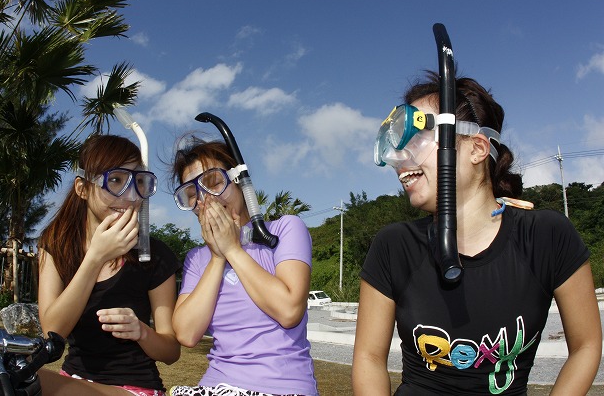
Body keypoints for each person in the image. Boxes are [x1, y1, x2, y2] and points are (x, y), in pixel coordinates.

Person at [352, 72, 602, 395]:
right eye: (396, 143)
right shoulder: (394, 246)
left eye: (416, 138)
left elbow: (586, 345)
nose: (399, 159)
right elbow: (370, 357)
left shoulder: (546, 237)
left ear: (477, 148)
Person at [169, 136, 318, 396]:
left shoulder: (284, 230)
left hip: (283, 387)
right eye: (192, 195)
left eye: (214, 182)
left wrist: (232, 249)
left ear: (238, 179)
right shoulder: (197, 258)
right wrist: (217, 258)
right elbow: (186, 333)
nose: (206, 199)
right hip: (216, 386)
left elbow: (289, 310)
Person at [36, 134, 181, 395]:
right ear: (82, 188)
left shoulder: (154, 255)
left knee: (26, 384)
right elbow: (53, 332)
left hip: (135, 388)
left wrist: (142, 332)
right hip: (74, 380)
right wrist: (95, 257)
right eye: (115, 180)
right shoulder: (57, 245)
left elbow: (171, 352)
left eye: (138, 182)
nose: (130, 195)